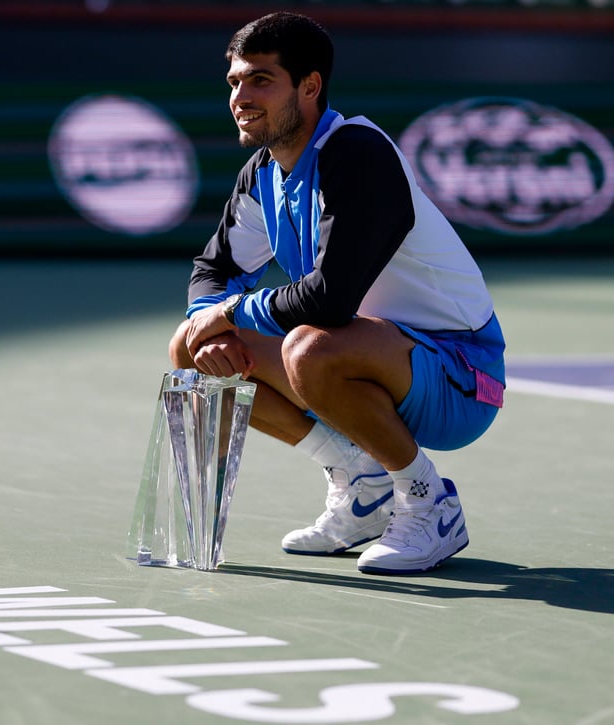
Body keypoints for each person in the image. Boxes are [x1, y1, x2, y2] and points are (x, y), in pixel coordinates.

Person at [168, 12, 505, 575]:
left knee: (310, 347)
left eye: (260, 80)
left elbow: (329, 300)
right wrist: (210, 323)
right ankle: (361, 483)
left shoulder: (356, 154)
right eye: (234, 82)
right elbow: (214, 268)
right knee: (190, 349)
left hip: (462, 376)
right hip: (376, 358)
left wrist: (228, 313)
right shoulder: (262, 174)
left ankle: (429, 503)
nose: (242, 97)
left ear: (310, 86)